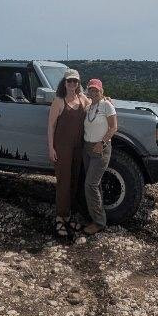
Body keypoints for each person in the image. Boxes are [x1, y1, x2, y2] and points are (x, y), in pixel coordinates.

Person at [47, 69, 89, 238]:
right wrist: (51, 148)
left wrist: (107, 100)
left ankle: (68, 216)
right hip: (62, 147)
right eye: (69, 81)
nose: (72, 84)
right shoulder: (59, 101)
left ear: (78, 83)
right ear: (64, 83)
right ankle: (60, 217)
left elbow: (96, 104)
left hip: (78, 147)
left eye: (75, 81)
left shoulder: (82, 99)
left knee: (74, 180)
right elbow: (51, 126)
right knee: (63, 182)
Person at [82, 78, 117, 235]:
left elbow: (114, 127)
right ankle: (97, 216)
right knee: (95, 184)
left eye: (96, 90)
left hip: (100, 149)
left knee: (90, 185)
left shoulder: (107, 105)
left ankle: (99, 222)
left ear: (101, 91)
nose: (93, 92)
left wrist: (101, 143)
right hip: (87, 148)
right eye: (91, 89)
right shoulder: (89, 106)